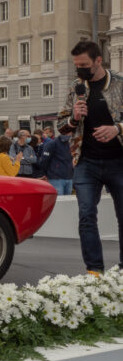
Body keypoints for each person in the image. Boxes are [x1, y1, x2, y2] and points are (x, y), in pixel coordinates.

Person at [57, 40, 123, 275]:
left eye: (84, 65)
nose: (80, 70)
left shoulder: (119, 83)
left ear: (98, 60)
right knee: (86, 215)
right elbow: (61, 127)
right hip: (86, 162)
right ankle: (94, 271)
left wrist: (117, 129)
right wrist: (74, 118)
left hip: (119, 162)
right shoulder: (76, 87)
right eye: (77, 66)